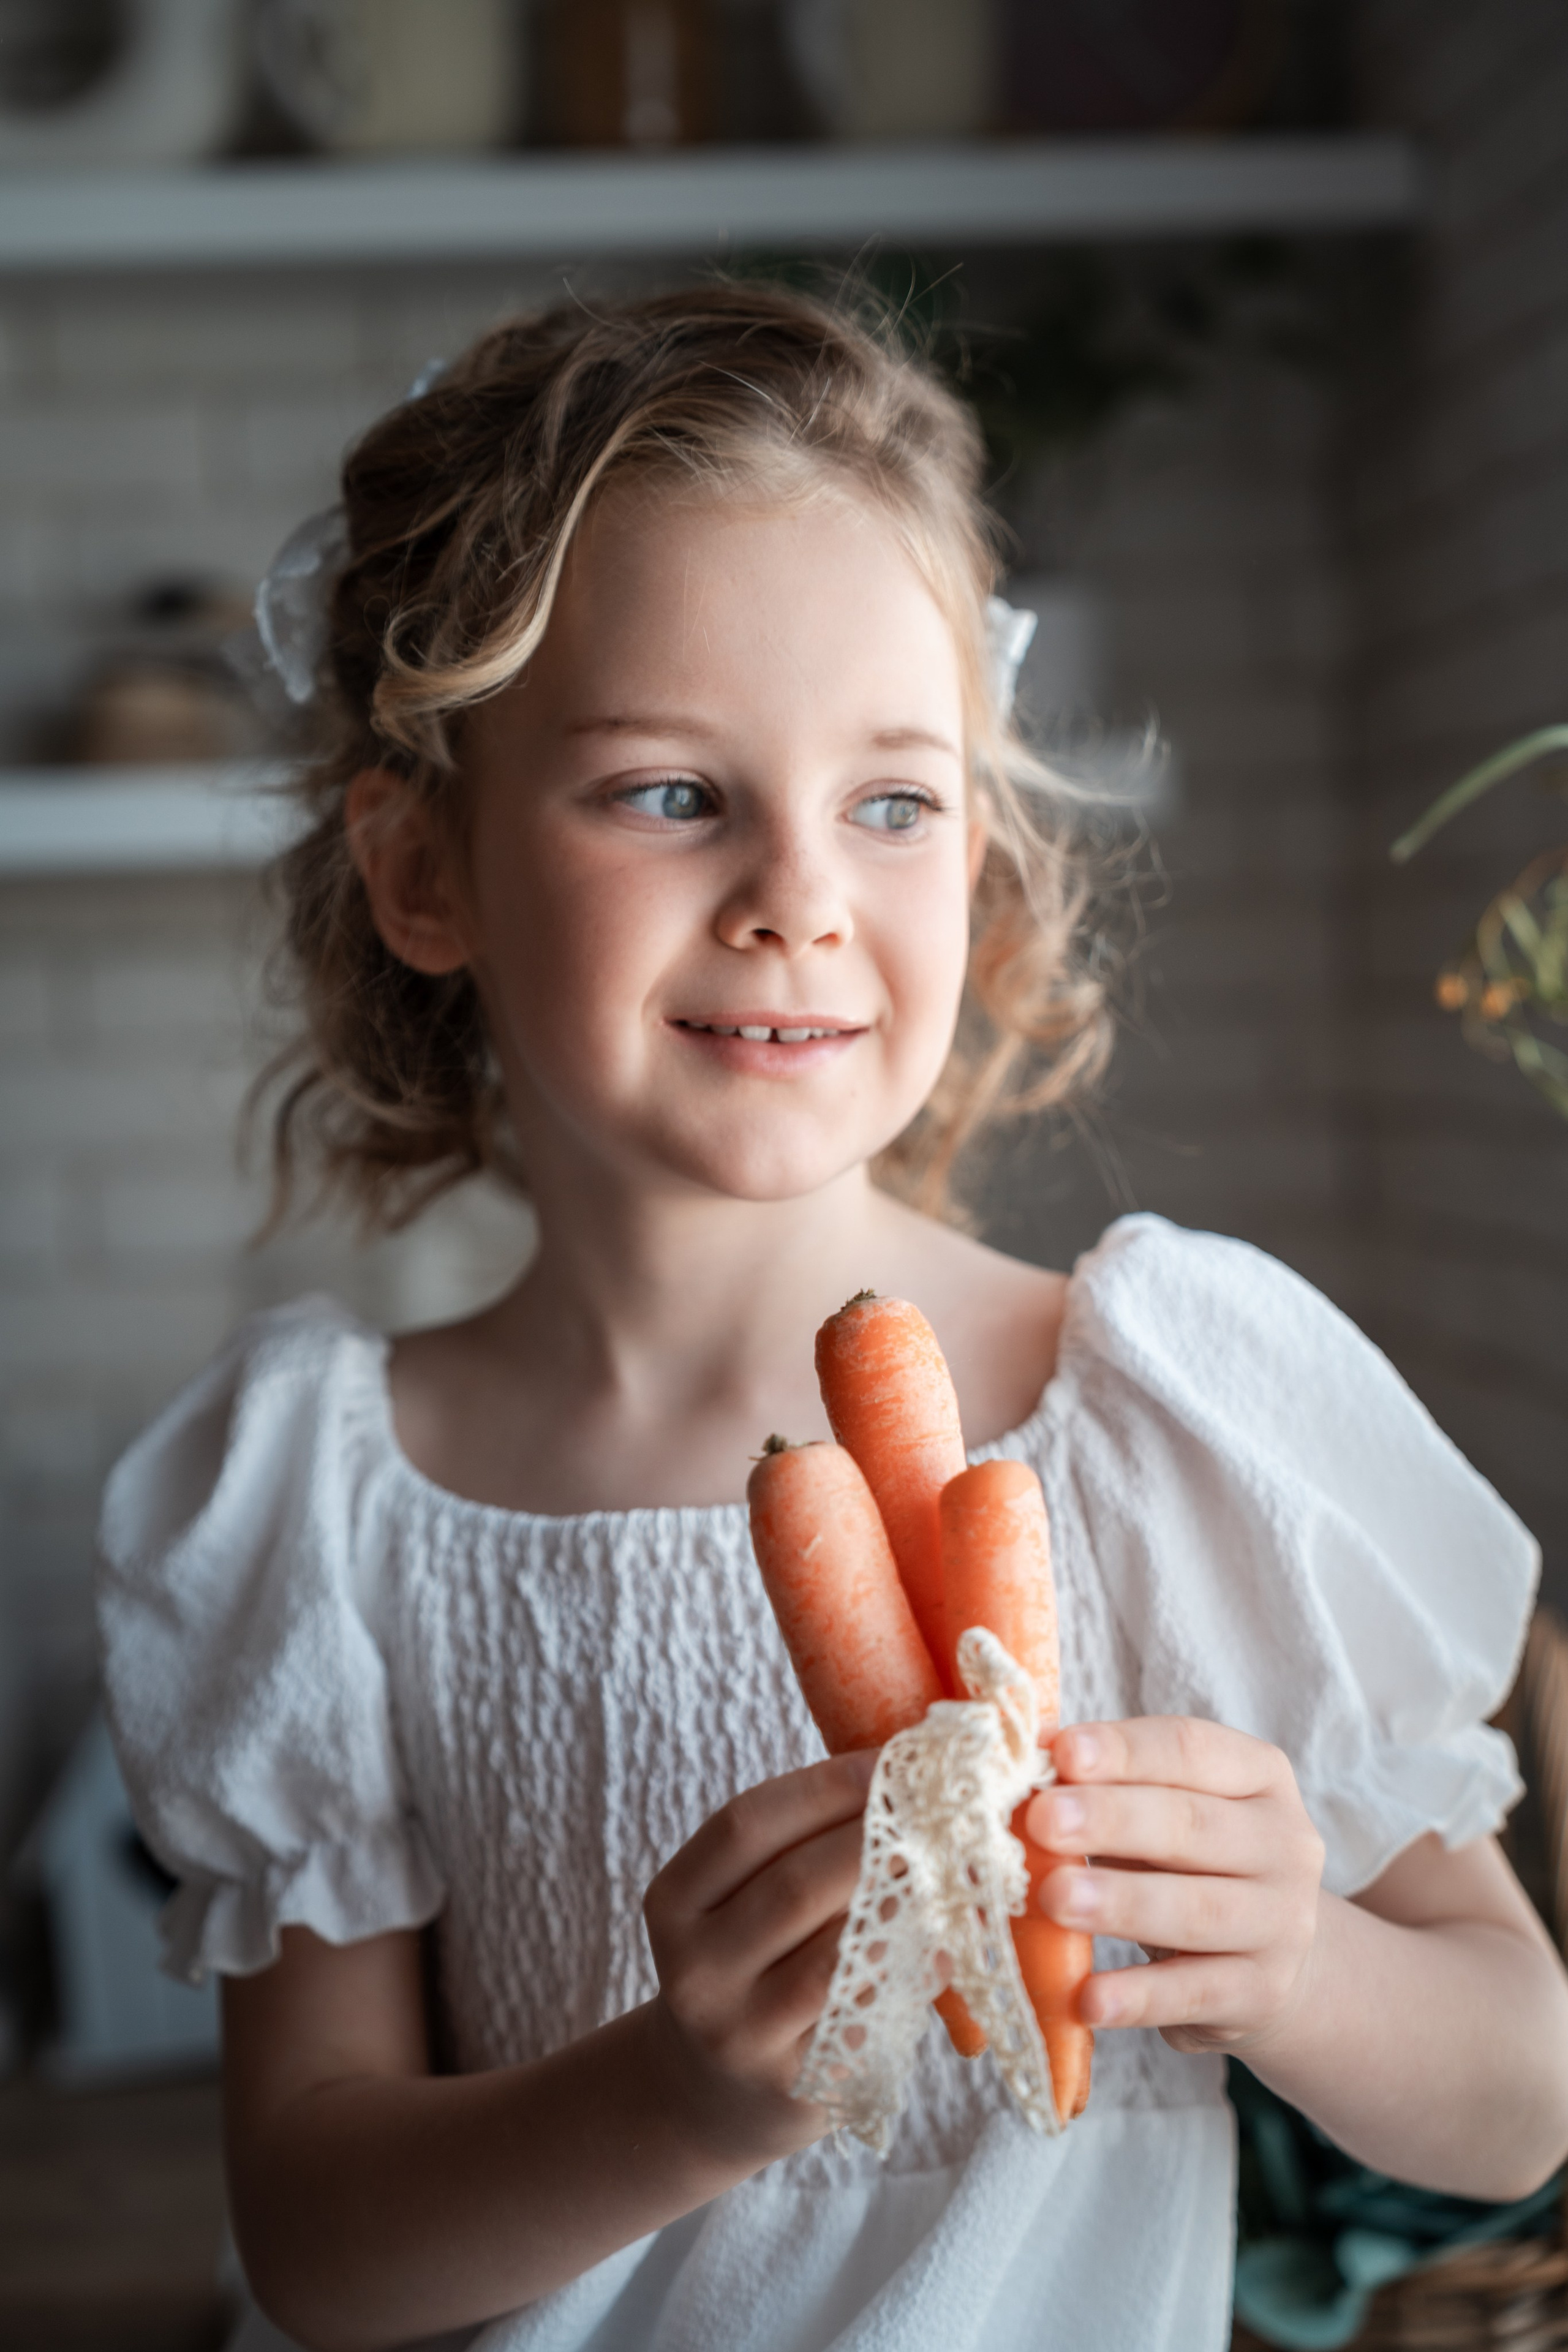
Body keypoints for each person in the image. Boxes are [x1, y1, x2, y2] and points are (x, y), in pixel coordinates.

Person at [97, 284, 1568, 2352]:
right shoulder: (337, 1501)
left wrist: (1304, 1958)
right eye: (672, 794)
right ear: (424, 868)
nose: (801, 890)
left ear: (980, 857)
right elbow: (324, 2247)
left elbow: (1520, 2088)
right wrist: (671, 2103)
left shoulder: (1164, 1414)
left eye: (892, 801)